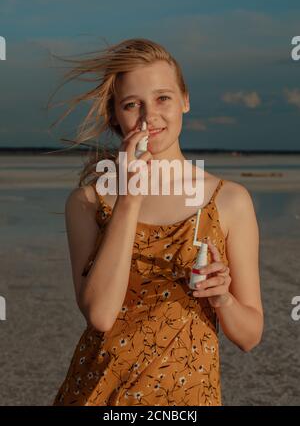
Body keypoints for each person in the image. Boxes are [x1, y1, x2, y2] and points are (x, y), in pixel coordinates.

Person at [51, 38, 263, 406]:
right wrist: (130, 196)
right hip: (99, 396)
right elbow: (100, 315)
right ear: (114, 115)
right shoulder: (88, 203)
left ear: (185, 100)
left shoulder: (229, 201)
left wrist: (223, 299)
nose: (150, 116)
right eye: (132, 104)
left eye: (163, 98)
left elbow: (250, 336)